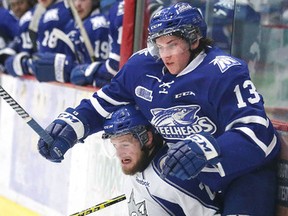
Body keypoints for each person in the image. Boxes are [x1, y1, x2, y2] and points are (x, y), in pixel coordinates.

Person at [37, 2, 280, 215]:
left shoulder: (223, 72)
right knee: (148, 182)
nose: (165, 55)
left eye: (172, 44)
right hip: (190, 175)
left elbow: (260, 135)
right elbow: (103, 104)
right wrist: (70, 127)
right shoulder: (142, 67)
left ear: (194, 39)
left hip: (242, 175)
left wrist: (206, 147)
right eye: (159, 45)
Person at [102, 104, 220, 215]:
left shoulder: (174, 174)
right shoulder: (139, 162)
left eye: (125, 145)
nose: (119, 154)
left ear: (147, 138)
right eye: (114, 145)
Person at [69, 0, 124, 88]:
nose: (77, 4)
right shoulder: (110, 15)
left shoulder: (90, 26)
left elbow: (114, 68)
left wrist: (88, 72)